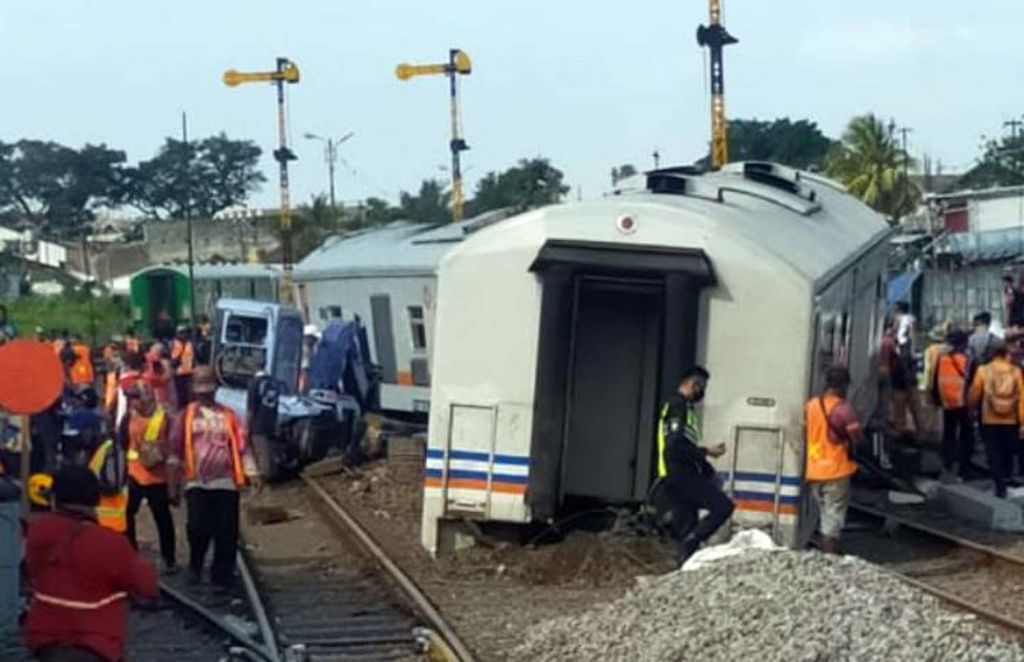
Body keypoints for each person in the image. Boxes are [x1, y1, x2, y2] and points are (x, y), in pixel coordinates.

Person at [24, 465, 158, 662]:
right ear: (96, 499)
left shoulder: (38, 531)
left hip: (46, 640)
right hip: (97, 644)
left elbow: (32, 570)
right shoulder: (112, 542)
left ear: (54, 498)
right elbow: (146, 587)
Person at [168, 366, 259, 588]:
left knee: (226, 533)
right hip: (196, 481)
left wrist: (252, 472)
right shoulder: (185, 416)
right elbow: (174, 452)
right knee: (197, 528)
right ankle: (196, 566)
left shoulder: (229, 416)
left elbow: (242, 446)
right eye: (201, 390)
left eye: (208, 390)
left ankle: (222, 576)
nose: (205, 395)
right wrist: (172, 485)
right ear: (193, 390)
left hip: (226, 482)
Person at [656, 366, 732, 564]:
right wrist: (707, 452)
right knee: (723, 506)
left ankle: (686, 553)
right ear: (694, 384)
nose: (702, 392)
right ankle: (690, 543)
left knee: (688, 524)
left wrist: (707, 469)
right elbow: (675, 446)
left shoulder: (684, 408)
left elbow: (687, 447)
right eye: (701, 387)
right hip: (679, 474)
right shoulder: (677, 407)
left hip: (681, 473)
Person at [120, 383, 177, 573]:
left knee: (162, 518)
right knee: (127, 514)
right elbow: (122, 442)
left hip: (157, 478)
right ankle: (130, 552)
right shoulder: (129, 416)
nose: (133, 401)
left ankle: (169, 559)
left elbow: (173, 445)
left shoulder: (164, 417)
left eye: (136, 397)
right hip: (135, 474)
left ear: (148, 397)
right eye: (131, 398)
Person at [805, 366, 862, 554]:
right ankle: (830, 558)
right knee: (833, 519)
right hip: (836, 471)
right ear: (844, 385)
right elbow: (856, 438)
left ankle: (826, 554)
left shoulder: (811, 405)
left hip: (814, 470)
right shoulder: (844, 409)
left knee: (824, 515)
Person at [968, 338, 1024, 498]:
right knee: (1008, 451)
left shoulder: (983, 371)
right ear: (1006, 353)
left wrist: (971, 412)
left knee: (993, 452)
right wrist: (1022, 422)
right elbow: (1022, 398)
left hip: (989, 419)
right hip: (1011, 419)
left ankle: (999, 485)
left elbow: (974, 394)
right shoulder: (1015, 371)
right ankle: (1007, 478)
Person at [934, 330, 972, 481]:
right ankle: (964, 470)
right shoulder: (968, 360)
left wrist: (937, 399)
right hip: (964, 403)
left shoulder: (942, 359)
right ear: (963, 344)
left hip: (947, 402)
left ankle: (947, 464)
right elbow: (973, 383)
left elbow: (936, 380)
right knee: (966, 436)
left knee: (949, 434)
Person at [170, 325, 195, 406]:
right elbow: (173, 360)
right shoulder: (175, 344)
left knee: (189, 393)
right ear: (177, 334)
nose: (183, 334)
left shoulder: (189, 343)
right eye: (181, 333)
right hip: (179, 373)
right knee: (181, 393)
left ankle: (188, 407)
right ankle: (182, 408)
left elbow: (192, 356)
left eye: (184, 332)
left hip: (189, 372)